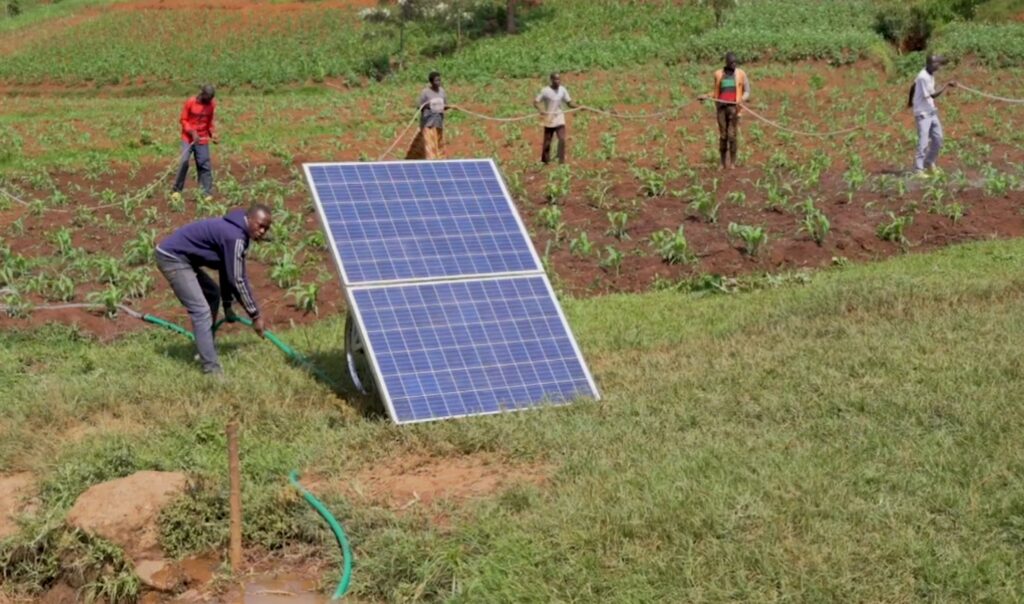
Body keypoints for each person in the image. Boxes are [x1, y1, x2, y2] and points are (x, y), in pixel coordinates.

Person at [155, 205, 272, 375]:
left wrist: (227, 306)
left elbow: (227, 270)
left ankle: (205, 350)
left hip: (184, 258)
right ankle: (212, 370)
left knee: (212, 294)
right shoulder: (235, 237)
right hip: (172, 258)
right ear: (250, 219)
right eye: (260, 225)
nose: (262, 231)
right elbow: (238, 280)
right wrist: (255, 315)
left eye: (266, 228)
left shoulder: (238, 232)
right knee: (200, 311)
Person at [699, 52, 751, 170]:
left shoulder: (741, 74)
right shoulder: (718, 74)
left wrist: (741, 99)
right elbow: (716, 92)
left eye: (735, 62)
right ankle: (722, 163)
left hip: (734, 109)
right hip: (721, 109)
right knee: (723, 136)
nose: (734, 64)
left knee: (732, 136)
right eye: (732, 62)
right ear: (726, 62)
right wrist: (706, 96)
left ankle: (732, 163)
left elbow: (747, 91)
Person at [909, 55, 957, 176]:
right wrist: (947, 85)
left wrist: (910, 100)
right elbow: (933, 95)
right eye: (936, 64)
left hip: (931, 110)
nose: (938, 66)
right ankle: (919, 170)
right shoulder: (923, 77)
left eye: (939, 64)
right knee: (923, 142)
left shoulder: (929, 74)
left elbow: (913, 85)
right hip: (923, 113)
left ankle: (929, 163)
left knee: (938, 139)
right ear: (930, 64)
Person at [172, 84, 218, 203]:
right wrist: (192, 132)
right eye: (208, 97)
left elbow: (210, 122)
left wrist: (213, 133)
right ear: (202, 94)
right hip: (188, 137)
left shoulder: (211, 105)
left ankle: (206, 192)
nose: (209, 100)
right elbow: (183, 119)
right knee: (184, 161)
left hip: (202, 138)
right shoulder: (191, 102)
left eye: (211, 98)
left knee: (204, 163)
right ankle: (177, 191)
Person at [533, 72, 579, 165]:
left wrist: (578, 106)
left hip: (559, 117)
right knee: (547, 142)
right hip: (549, 118)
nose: (558, 81)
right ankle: (545, 161)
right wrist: (541, 110)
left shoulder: (563, 90)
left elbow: (569, 103)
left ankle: (561, 161)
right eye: (555, 79)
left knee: (562, 139)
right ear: (551, 80)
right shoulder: (545, 91)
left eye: (559, 79)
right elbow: (536, 102)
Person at [407, 72, 450, 160]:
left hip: (438, 123)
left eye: (439, 80)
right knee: (430, 146)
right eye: (436, 80)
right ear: (431, 82)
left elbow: (445, 105)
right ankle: (432, 161)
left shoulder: (442, 91)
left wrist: (447, 107)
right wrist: (430, 105)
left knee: (438, 143)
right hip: (428, 124)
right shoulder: (425, 92)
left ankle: (438, 159)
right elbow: (420, 106)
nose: (438, 82)